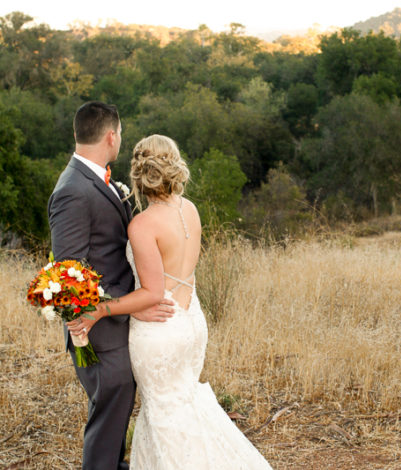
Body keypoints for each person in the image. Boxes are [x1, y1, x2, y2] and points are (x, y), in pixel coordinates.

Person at [67, 134, 273, 469]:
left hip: (161, 328)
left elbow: (151, 292)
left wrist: (99, 309)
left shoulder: (143, 224)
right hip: (191, 321)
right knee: (187, 408)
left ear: (139, 173)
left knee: (164, 415)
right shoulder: (189, 210)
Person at [48, 102, 174, 470]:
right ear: (111, 135)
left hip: (115, 319)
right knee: (108, 413)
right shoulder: (73, 189)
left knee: (115, 411)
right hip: (99, 329)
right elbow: (68, 271)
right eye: (120, 134)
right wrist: (114, 311)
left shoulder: (97, 179)